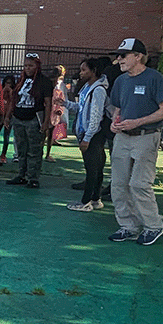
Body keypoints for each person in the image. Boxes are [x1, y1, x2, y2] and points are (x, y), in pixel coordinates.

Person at [107, 38, 163, 246]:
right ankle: (128, 226)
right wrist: (114, 123)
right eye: (118, 56)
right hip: (123, 138)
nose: (119, 60)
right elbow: (117, 108)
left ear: (138, 56)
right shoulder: (120, 81)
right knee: (118, 184)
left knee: (139, 184)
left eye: (123, 55)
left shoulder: (154, 78)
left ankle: (153, 226)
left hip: (146, 136)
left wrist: (138, 121)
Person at [68, 57, 110, 211]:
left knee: (92, 168)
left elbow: (96, 116)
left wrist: (87, 138)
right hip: (88, 133)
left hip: (93, 134)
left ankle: (86, 201)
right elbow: (81, 108)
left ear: (94, 71)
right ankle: (95, 199)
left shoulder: (98, 90)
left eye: (84, 70)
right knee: (96, 167)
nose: (81, 73)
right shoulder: (87, 88)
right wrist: (65, 104)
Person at [6, 53, 52, 189]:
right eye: (26, 65)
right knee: (21, 148)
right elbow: (13, 100)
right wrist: (8, 116)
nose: (28, 68)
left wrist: (45, 122)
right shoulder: (20, 81)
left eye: (31, 65)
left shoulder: (44, 82)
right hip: (18, 118)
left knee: (34, 150)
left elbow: (48, 103)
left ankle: (33, 177)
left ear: (37, 66)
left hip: (33, 119)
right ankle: (21, 174)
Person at [45, 65, 69, 159]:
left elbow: (61, 101)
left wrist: (59, 110)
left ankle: (47, 153)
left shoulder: (58, 90)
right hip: (46, 113)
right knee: (43, 133)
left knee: (50, 132)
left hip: (53, 114)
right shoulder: (47, 89)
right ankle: (41, 152)